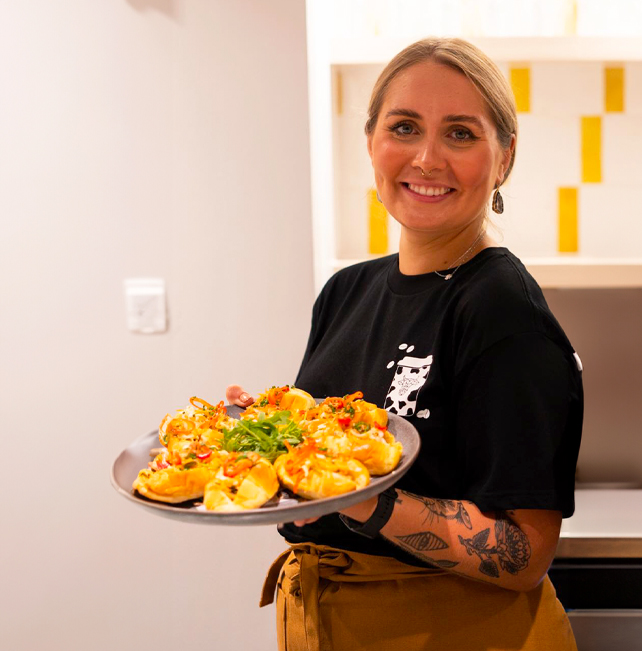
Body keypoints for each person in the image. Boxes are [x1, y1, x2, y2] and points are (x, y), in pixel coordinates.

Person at [228, 37, 583, 651]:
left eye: (462, 134)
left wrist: (364, 500)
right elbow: (330, 484)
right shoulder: (347, 291)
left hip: (460, 633)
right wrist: (280, 457)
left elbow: (525, 553)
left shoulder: (500, 308)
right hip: (334, 624)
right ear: (371, 142)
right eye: (404, 126)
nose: (427, 158)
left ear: (504, 158)